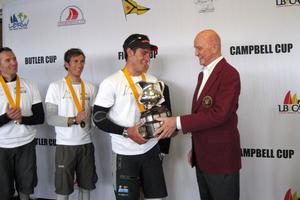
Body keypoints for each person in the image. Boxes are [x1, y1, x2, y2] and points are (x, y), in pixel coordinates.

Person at [155, 29, 241, 200]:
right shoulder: (203, 74)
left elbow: (219, 115)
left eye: (199, 48)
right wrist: (196, 149)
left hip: (221, 160)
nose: (196, 53)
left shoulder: (229, 74)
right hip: (203, 158)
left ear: (214, 47)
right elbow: (202, 115)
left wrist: (177, 122)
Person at [93, 33, 168, 200]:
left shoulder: (152, 80)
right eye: (144, 53)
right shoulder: (111, 82)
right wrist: (127, 132)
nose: (148, 58)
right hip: (124, 155)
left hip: (151, 151)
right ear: (129, 52)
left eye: (150, 53)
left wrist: (168, 127)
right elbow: (98, 117)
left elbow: (159, 113)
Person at [45, 48, 98, 200]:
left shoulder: (91, 87)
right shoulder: (56, 86)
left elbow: (95, 118)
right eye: (75, 61)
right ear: (66, 64)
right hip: (65, 146)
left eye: (82, 61)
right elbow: (51, 118)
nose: (79, 65)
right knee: (63, 189)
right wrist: (74, 119)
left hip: (86, 144)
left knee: (86, 187)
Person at [0, 47, 45, 200]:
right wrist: (6, 117)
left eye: (14, 58)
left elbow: (40, 117)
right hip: (2, 146)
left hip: (26, 144)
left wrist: (22, 119)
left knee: (26, 190)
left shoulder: (30, 85)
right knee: (4, 192)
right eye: (8, 60)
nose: (14, 62)